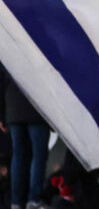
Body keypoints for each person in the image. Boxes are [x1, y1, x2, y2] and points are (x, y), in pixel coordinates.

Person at [1, 68, 50, 209]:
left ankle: (16, 201)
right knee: (38, 155)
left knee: (18, 156)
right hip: (38, 105)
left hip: (13, 106)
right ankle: (34, 199)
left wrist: (2, 114)